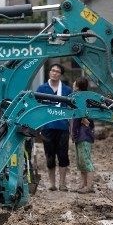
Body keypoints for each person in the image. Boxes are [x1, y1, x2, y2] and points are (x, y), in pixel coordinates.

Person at [36, 63, 72, 191]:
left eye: (57, 71)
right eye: (52, 70)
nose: (54, 73)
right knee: (49, 156)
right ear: (49, 72)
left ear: (61, 74)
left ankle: (63, 183)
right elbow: (37, 108)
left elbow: (72, 108)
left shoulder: (67, 90)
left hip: (62, 127)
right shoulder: (41, 89)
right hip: (47, 127)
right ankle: (52, 184)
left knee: (63, 155)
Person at [71, 77, 95, 193]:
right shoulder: (77, 98)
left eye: (74, 83)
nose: (72, 84)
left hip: (84, 134)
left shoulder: (83, 100)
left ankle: (89, 186)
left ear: (78, 86)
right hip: (78, 135)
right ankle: (83, 184)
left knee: (86, 161)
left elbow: (88, 119)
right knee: (81, 162)